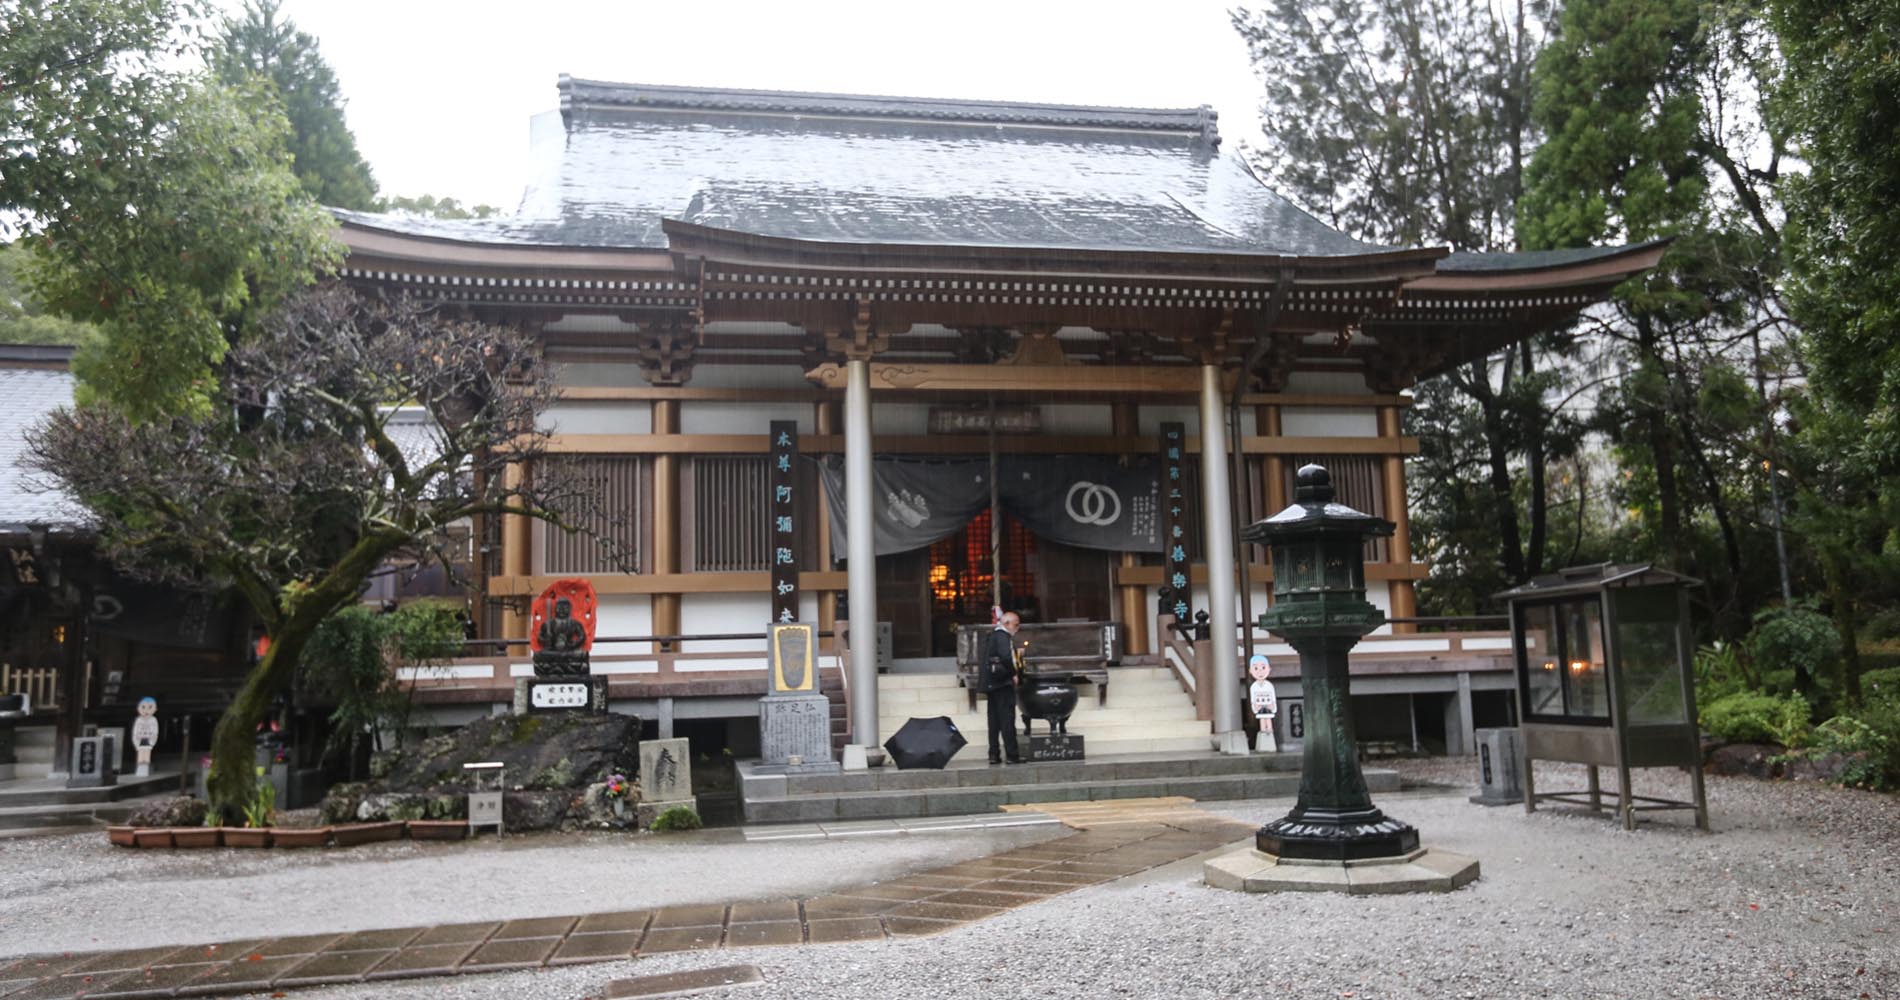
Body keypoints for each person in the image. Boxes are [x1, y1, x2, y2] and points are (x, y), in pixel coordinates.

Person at [982, 611, 1025, 764]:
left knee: (993, 721)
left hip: (991, 682)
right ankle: (1012, 754)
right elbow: (1006, 657)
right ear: (1006, 623)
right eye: (1016, 624)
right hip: (1002, 682)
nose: (1017, 628)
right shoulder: (1002, 636)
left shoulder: (992, 635)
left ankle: (994, 754)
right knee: (1007, 719)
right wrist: (1014, 673)